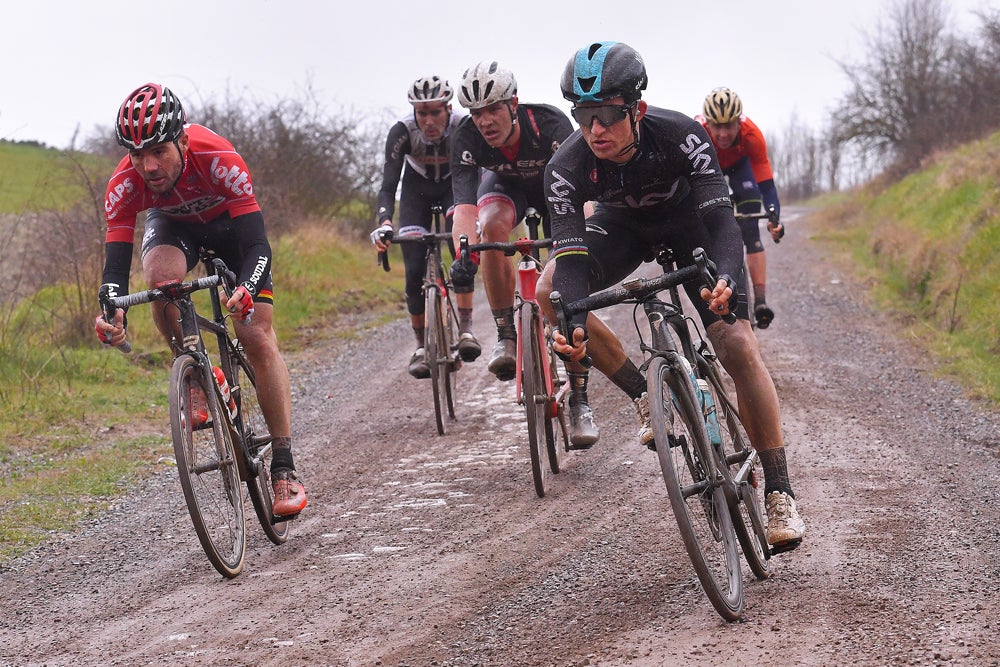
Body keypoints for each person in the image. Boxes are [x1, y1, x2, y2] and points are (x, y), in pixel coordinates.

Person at [538, 42, 805, 551]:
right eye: (584, 115)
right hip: (621, 227)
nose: (595, 129)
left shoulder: (682, 134)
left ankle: (779, 491)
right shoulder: (566, 167)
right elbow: (571, 259)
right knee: (549, 290)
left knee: (737, 346)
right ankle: (642, 392)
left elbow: (721, 221)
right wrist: (570, 325)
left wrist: (726, 276)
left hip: (691, 224)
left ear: (635, 109)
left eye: (608, 115)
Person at [94, 83, 307, 518]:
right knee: (159, 279)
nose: (148, 166)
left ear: (183, 142)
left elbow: (258, 247)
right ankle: (195, 373)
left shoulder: (220, 160)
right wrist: (111, 309)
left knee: (256, 335)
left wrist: (246, 288)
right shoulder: (123, 185)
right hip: (176, 229)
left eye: (158, 152)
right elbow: (115, 273)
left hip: (232, 233)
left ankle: (283, 467)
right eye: (137, 154)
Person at [447, 61, 601, 447]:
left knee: (565, 292)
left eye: (493, 109)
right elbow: (465, 209)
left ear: (513, 104)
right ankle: (505, 333)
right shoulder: (465, 136)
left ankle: (580, 399)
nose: (485, 121)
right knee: (492, 225)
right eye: (477, 113)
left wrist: (591, 237)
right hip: (505, 190)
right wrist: (463, 255)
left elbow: (582, 193)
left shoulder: (548, 124)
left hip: (556, 195)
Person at [370, 75, 481, 379]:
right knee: (414, 267)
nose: (429, 120)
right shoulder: (402, 132)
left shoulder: (463, 126)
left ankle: (466, 330)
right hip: (415, 193)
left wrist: (475, 216)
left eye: (435, 111)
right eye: (422, 113)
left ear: (448, 107)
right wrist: (385, 223)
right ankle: (420, 346)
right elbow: (388, 184)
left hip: (453, 188)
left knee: (461, 250)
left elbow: (477, 174)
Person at [698, 87, 784, 329]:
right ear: (708, 123)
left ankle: (761, 302)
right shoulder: (697, 132)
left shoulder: (752, 135)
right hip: (709, 169)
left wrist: (773, 216)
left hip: (740, 168)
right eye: (717, 126)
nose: (723, 134)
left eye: (729, 126)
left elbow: (767, 185)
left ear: (739, 122)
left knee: (750, 231)